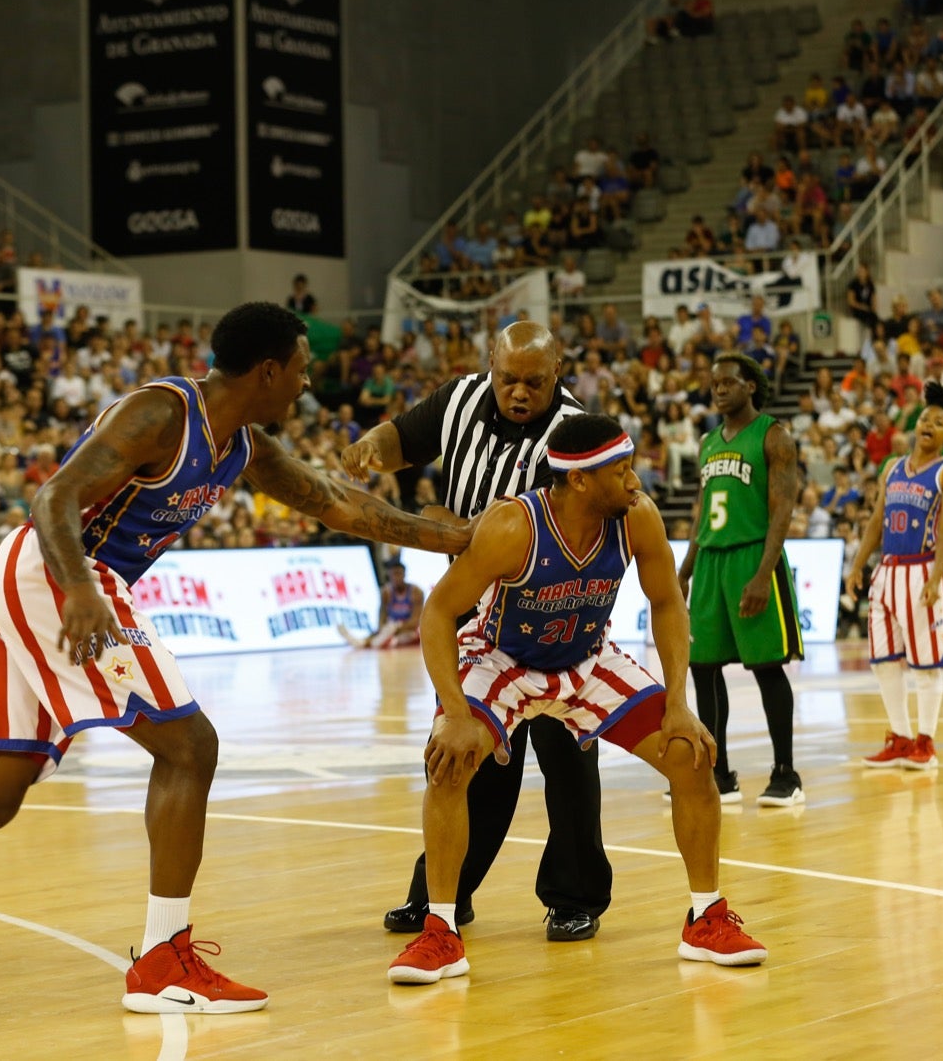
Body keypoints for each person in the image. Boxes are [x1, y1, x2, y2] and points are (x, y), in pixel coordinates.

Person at [0, 303, 472, 1011]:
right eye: (304, 369)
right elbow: (55, 496)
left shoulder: (245, 444)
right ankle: (162, 959)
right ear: (269, 370)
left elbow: (338, 505)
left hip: (50, 582)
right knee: (189, 747)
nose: (311, 383)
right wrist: (81, 588)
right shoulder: (160, 413)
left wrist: (458, 541)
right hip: (55, 575)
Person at [387, 414, 765, 985]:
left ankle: (706, 918)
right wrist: (454, 713)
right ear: (582, 480)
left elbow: (666, 603)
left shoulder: (638, 517)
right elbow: (438, 613)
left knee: (690, 754)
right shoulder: (513, 526)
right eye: (622, 470)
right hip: (502, 661)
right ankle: (440, 930)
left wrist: (679, 702)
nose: (636, 481)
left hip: (586, 660)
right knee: (450, 762)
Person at [341, 321, 608, 943]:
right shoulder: (459, 398)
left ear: (559, 370)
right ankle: (442, 896)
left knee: (566, 759)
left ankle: (576, 897)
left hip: (552, 609)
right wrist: (370, 450)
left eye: (534, 382)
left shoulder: (574, 432)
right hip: (469, 611)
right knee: (464, 751)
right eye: (508, 378)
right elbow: (403, 438)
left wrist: (446, 524)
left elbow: (537, 529)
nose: (519, 392)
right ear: (491, 365)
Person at [676, 355, 805, 806]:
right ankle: (720, 774)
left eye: (729, 382)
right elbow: (702, 511)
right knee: (703, 667)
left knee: (767, 666)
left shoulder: (774, 436)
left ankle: (786, 774)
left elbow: (782, 508)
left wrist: (763, 575)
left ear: (751, 386)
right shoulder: (709, 441)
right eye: (714, 383)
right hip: (711, 561)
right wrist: (686, 569)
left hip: (753, 557)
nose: (719, 389)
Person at [845, 382, 943, 769]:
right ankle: (899, 738)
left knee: (926, 665)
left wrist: (935, 578)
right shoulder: (892, 467)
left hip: (923, 572)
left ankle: (926, 743)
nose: (929, 424)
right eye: (925, 418)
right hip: (887, 573)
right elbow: (877, 521)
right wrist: (857, 564)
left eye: (940, 422)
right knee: (884, 660)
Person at [343, 557, 424, 649]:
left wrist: (397, 628)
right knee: (381, 632)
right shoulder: (386, 592)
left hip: (407, 629)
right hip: (390, 628)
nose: (396, 578)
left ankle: (370, 642)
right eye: (393, 574)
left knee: (406, 637)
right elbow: (382, 616)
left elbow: (416, 620)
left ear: (404, 574)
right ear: (389, 576)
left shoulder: (416, 592)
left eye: (399, 574)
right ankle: (362, 641)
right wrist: (383, 628)